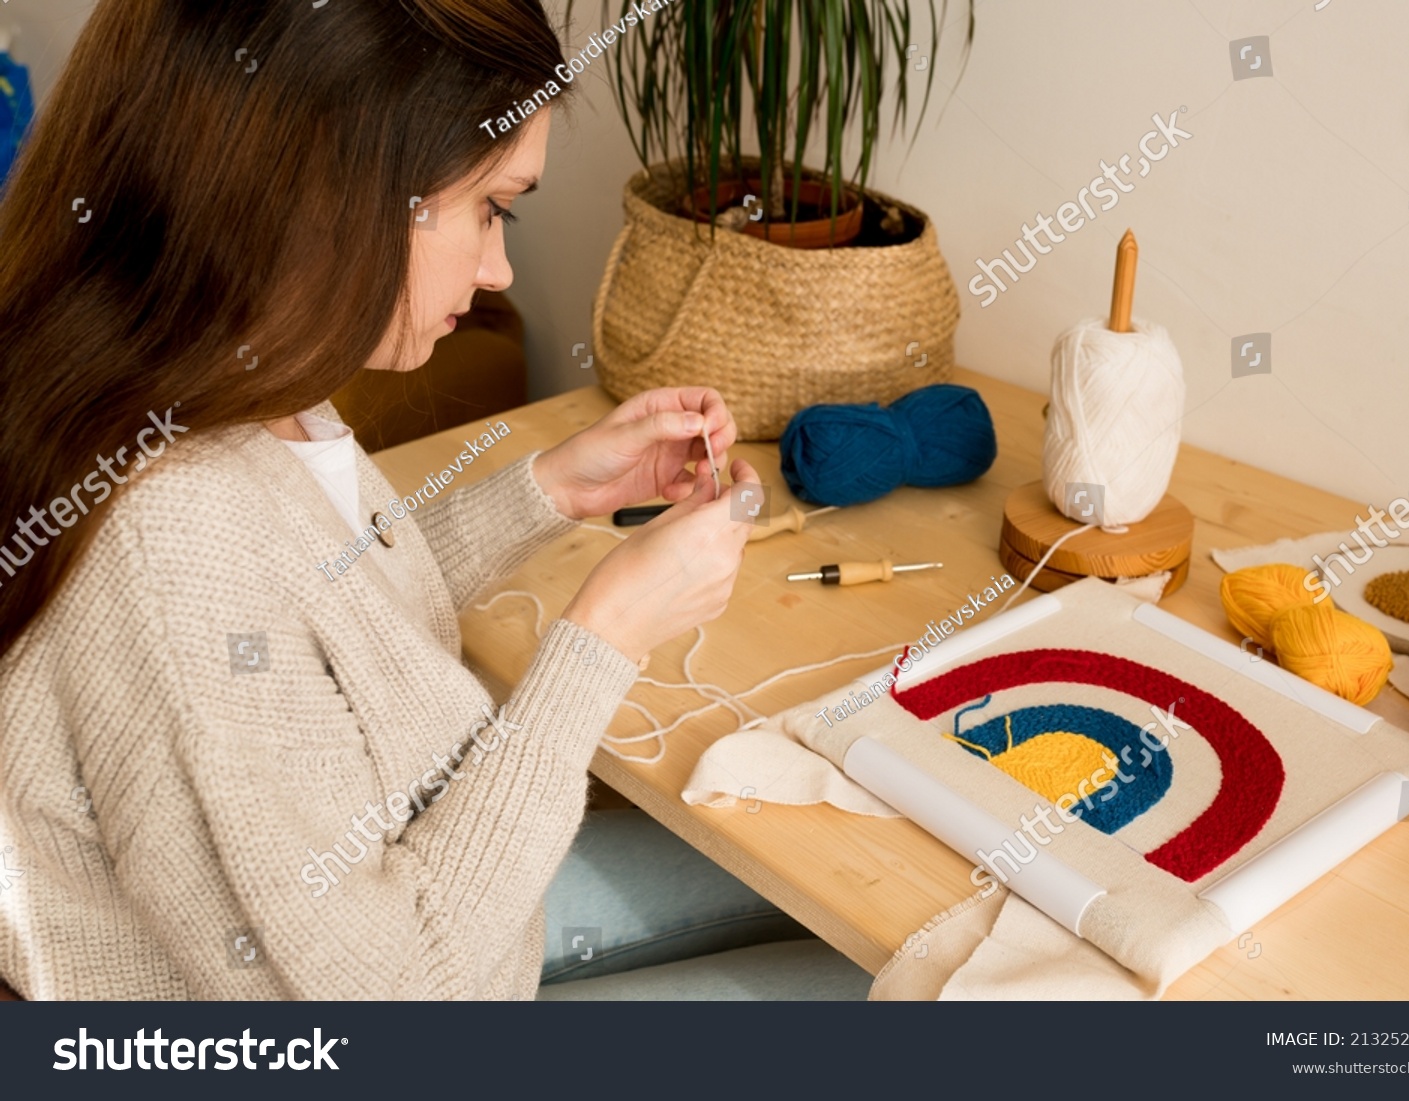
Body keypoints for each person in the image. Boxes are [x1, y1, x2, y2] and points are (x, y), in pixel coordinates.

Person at [0, 0, 869, 1000]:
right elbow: (386, 997)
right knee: (897, 980)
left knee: (828, 884)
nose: (499, 266)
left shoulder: (228, 384)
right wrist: (608, 633)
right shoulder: (170, 530)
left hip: (437, 929)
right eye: (493, 206)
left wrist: (550, 491)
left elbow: (317, 633)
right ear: (332, 187)